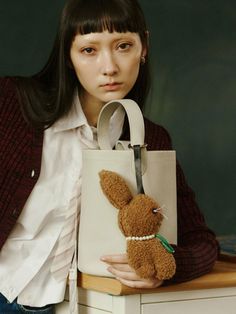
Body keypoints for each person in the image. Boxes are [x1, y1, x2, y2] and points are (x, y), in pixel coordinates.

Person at [0, 0, 219, 312]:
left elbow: (202, 241)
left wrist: (166, 264)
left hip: (76, 303)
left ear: (144, 47)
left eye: (124, 46)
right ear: (68, 55)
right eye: (89, 50)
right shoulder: (12, 104)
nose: (109, 67)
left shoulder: (150, 138)